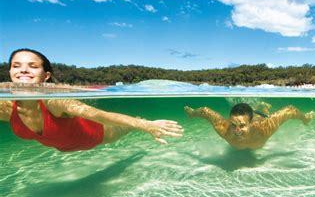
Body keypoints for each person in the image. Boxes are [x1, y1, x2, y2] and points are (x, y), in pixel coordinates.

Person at [0, 48, 183, 151]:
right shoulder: (6, 107)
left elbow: (98, 115)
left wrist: (146, 126)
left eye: (32, 66)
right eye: (16, 65)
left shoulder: (54, 101)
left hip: (97, 135)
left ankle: (139, 119)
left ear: (46, 76)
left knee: (126, 127)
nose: (23, 70)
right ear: (9, 72)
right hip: (67, 146)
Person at [184, 102, 315, 150]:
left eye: (242, 126)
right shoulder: (224, 129)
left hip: (258, 118)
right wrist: (192, 113)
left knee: (263, 114)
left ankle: (260, 107)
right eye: (234, 124)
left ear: (251, 123)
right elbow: (205, 111)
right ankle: (257, 106)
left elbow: (290, 110)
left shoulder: (264, 129)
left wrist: (305, 118)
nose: (237, 131)